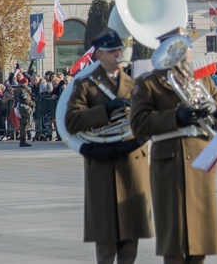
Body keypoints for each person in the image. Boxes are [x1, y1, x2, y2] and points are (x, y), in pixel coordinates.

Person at [131, 27, 217, 264]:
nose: (187, 53)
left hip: (201, 159)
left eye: (187, 47)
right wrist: (175, 117)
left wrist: (215, 109)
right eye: (180, 47)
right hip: (169, 163)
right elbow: (138, 123)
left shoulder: (200, 78)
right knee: (173, 238)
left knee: (200, 237)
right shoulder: (149, 83)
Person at [64, 28, 154, 264]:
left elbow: (146, 118)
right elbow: (71, 121)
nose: (117, 53)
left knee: (130, 237)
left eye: (118, 49)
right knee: (105, 238)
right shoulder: (85, 85)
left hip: (132, 162)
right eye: (111, 50)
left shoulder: (135, 83)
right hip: (103, 165)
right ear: (98, 56)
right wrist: (104, 111)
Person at [15, 76, 35, 147]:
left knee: (25, 125)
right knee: (24, 125)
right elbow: (26, 100)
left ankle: (23, 140)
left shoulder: (22, 89)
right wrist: (33, 103)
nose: (27, 84)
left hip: (24, 108)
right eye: (26, 83)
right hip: (25, 108)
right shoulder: (22, 90)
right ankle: (23, 141)